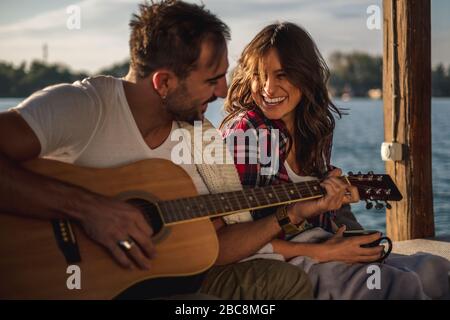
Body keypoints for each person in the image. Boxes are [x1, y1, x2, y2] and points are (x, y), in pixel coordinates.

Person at [0, 1, 313, 299]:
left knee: (286, 283)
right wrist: (88, 208)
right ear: (163, 83)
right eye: (212, 80)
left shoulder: (199, 138)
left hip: (167, 280)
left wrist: (292, 213)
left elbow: (218, 245)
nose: (222, 92)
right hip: (68, 282)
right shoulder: (84, 106)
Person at [216, 22, 450, 299]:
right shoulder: (246, 134)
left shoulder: (316, 130)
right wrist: (324, 251)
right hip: (272, 260)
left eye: (282, 75)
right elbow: (238, 238)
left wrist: (333, 207)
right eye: (259, 75)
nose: (268, 87)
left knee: (434, 269)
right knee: (394, 286)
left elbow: (316, 219)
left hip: (317, 243)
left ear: (305, 75)